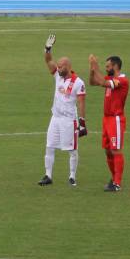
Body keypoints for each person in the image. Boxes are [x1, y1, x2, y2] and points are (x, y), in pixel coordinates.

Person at [39, 35, 87, 187]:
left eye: (61, 67)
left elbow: (81, 103)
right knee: (49, 145)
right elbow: (48, 60)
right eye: (58, 66)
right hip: (55, 117)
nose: (58, 69)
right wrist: (47, 49)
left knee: (72, 149)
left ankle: (72, 176)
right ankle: (48, 175)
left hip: (69, 120)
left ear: (68, 66)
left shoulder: (78, 83)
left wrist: (82, 123)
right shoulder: (57, 77)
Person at [88, 54, 130, 192]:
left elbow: (102, 82)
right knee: (107, 150)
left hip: (116, 119)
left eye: (108, 66)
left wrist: (96, 66)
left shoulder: (122, 80)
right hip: (106, 119)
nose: (106, 69)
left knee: (115, 149)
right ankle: (113, 179)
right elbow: (93, 82)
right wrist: (91, 69)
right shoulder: (111, 78)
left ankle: (117, 183)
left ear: (115, 66)